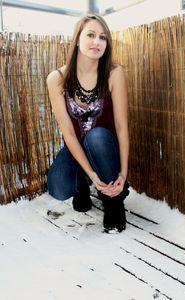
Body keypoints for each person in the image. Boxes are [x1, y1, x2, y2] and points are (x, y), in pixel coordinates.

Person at [46, 14, 129, 233]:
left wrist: (123, 175)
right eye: (90, 35)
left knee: (97, 137)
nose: (97, 42)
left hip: (104, 146)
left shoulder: (114, 73)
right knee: (59, 187)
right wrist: (91, 175)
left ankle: (114, 202)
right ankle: (82, 181)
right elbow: (70, 136)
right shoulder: (56, 79)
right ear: (77, 39)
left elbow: (121, 127)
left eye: (103, 37)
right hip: (76, 148)